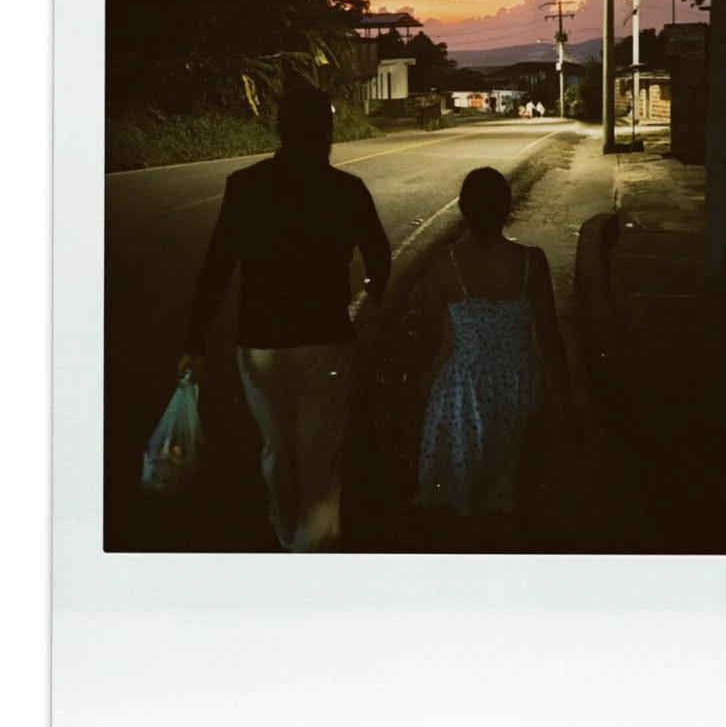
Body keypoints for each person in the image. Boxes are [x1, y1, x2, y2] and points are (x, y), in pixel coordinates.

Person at [178, 82, 391, 552]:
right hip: (325, 339)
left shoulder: (245, 186)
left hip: (260, 344)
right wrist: (374, 290)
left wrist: (194, 341)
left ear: (281, 129)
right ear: (327, 133)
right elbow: (379, 255)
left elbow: (217, 267)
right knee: (320, 452)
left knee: (276, 446)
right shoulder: (347, 190)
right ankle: (315, 544)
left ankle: (285, 529)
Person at [413, 167, 574, 550]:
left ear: (463, 209)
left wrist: (414, 391)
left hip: (462, 395)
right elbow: (550, 339)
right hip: (519, 390)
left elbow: (427, 342)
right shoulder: (532, 262)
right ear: (506, 208)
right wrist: (566, 401)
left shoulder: (444, 266)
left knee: (465, 500)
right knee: (513, 494)